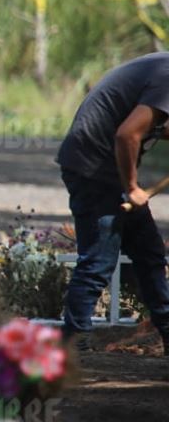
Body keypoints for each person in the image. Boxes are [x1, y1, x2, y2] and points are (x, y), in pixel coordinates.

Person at [56, 54, 169, 352]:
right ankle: (72, 346)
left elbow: (152, 124)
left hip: (104, 168)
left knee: (149, 254)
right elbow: (127, 134)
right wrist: (132, 187)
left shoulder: (161, 68)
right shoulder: (167, 75)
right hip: (95, 169)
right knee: (98, 261)